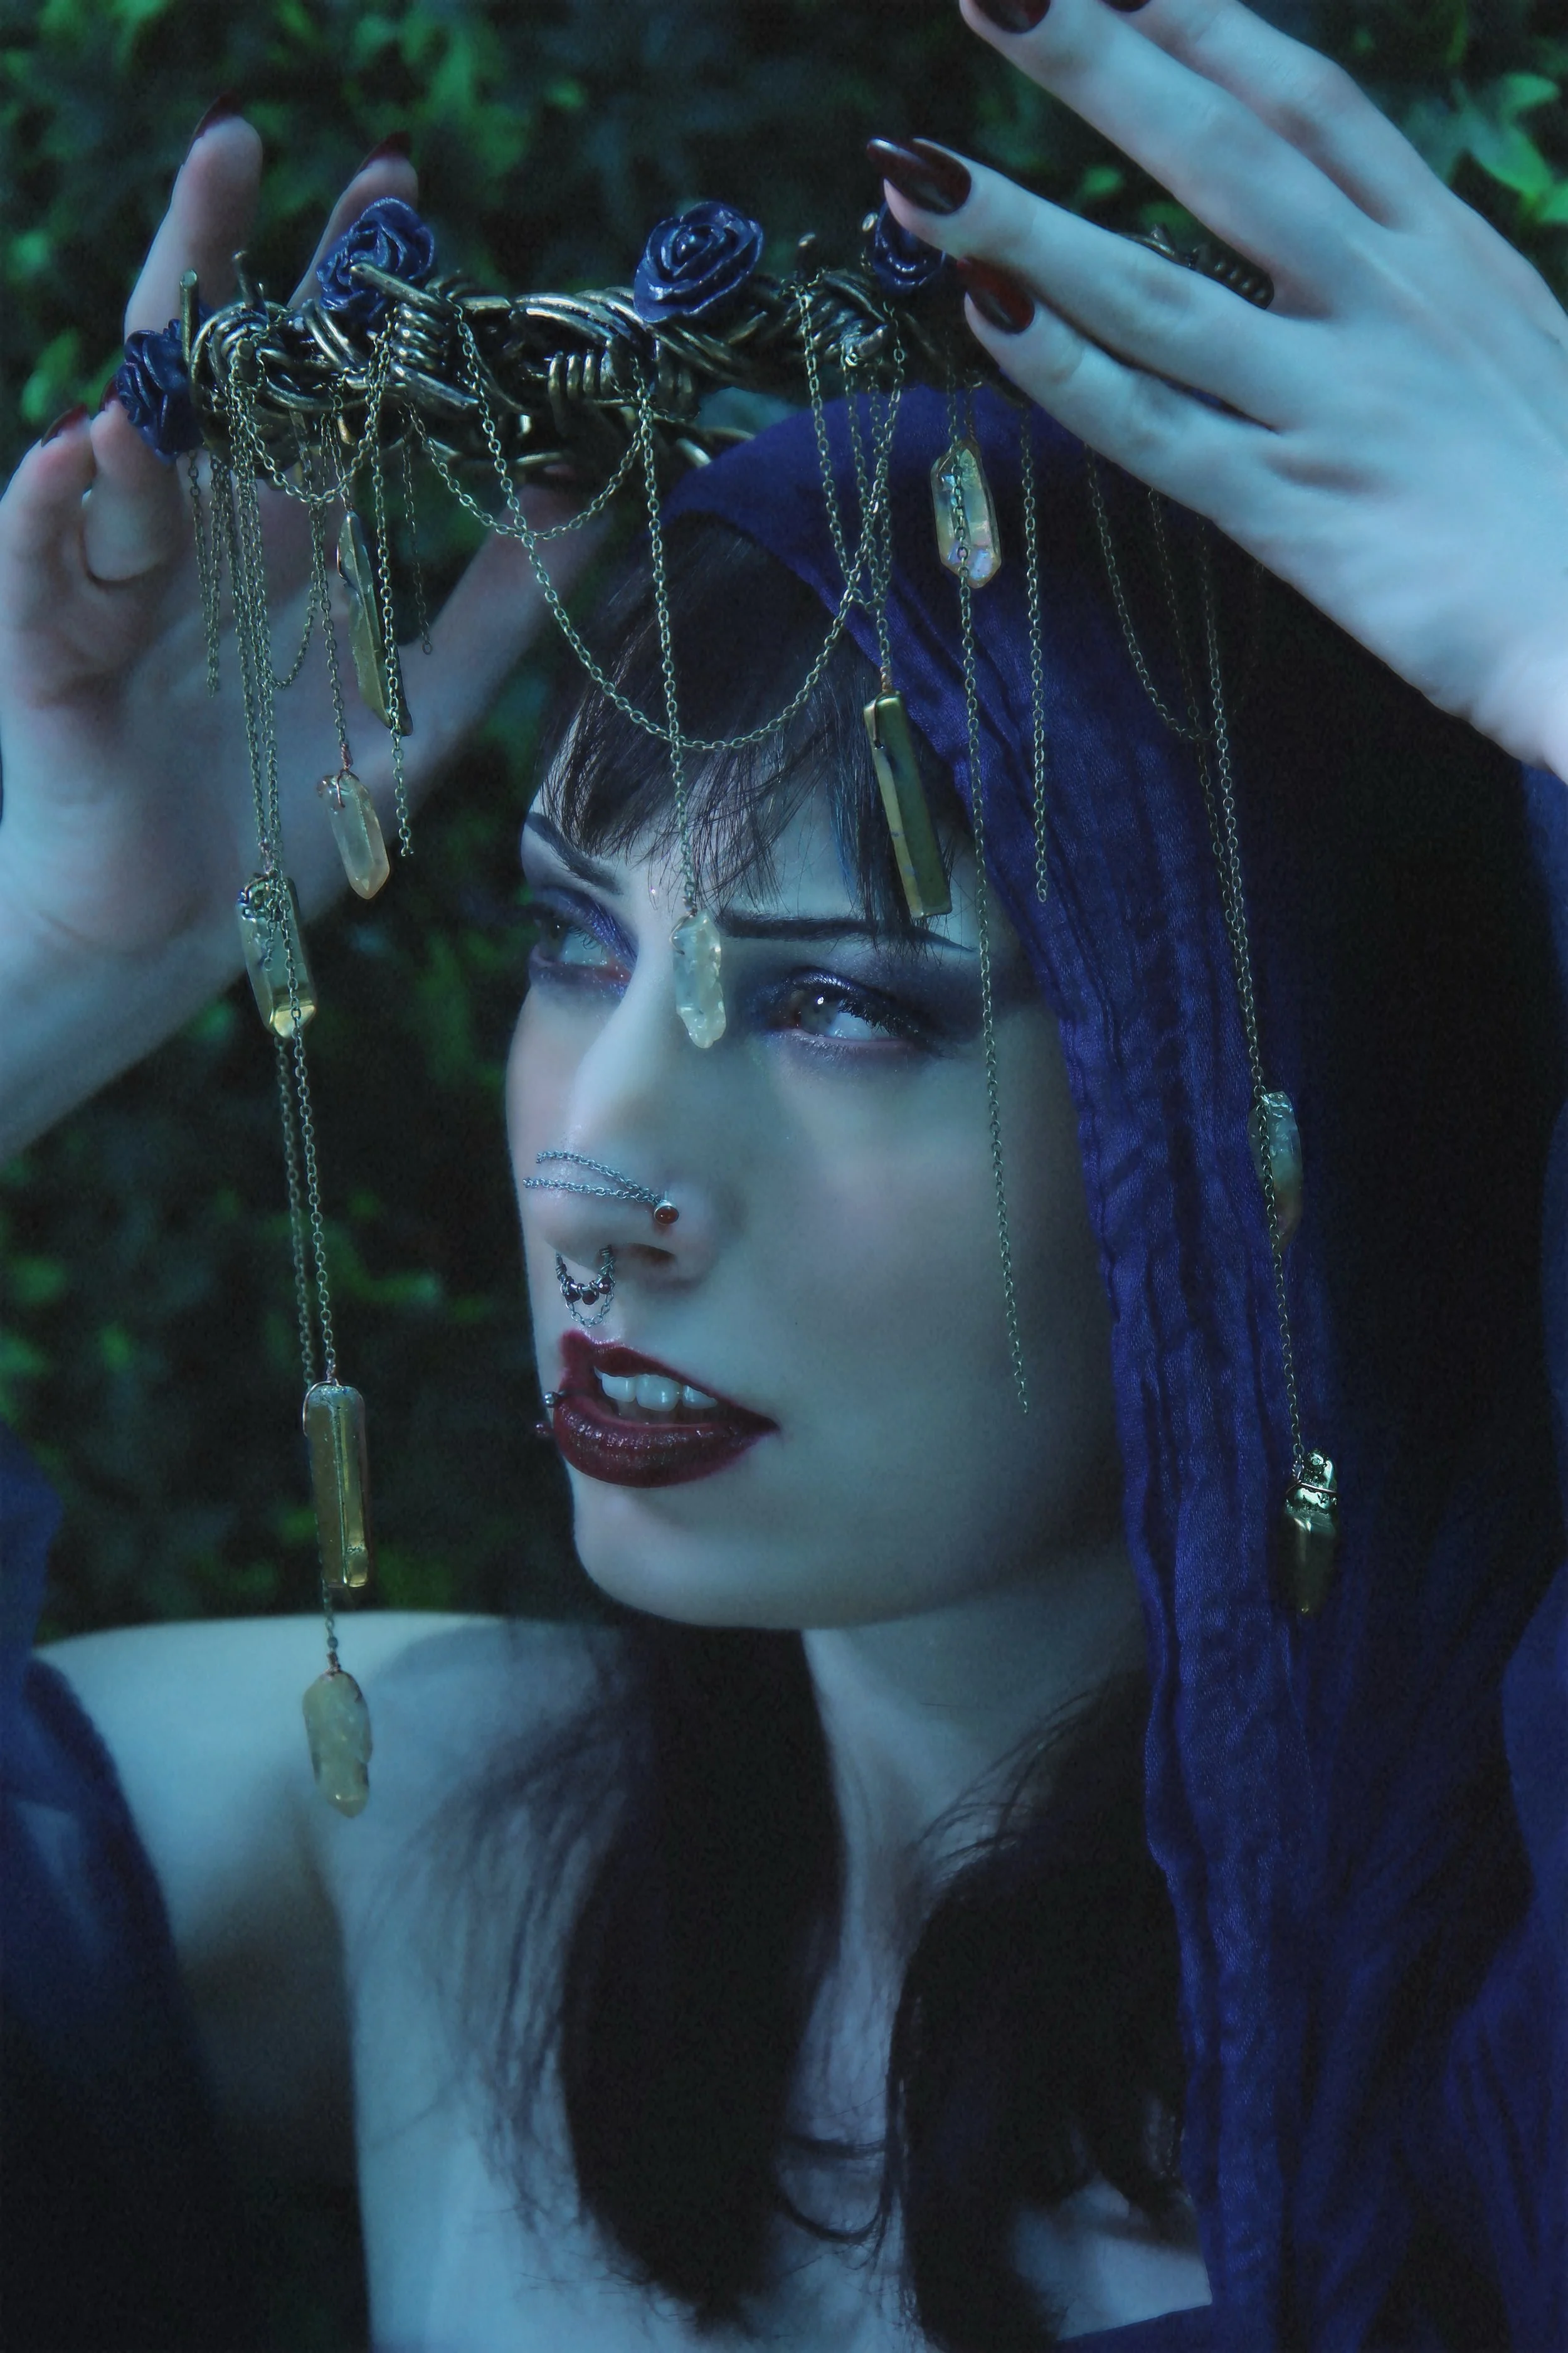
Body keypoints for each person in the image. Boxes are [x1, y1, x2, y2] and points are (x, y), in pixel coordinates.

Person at [0, 3, 1562, 2348]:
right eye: (567, 940)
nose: (599, 1168)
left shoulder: (1490, 2017)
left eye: (853, 1004)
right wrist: (54, 957)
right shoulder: (436, 1835)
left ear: (1256, 1112)